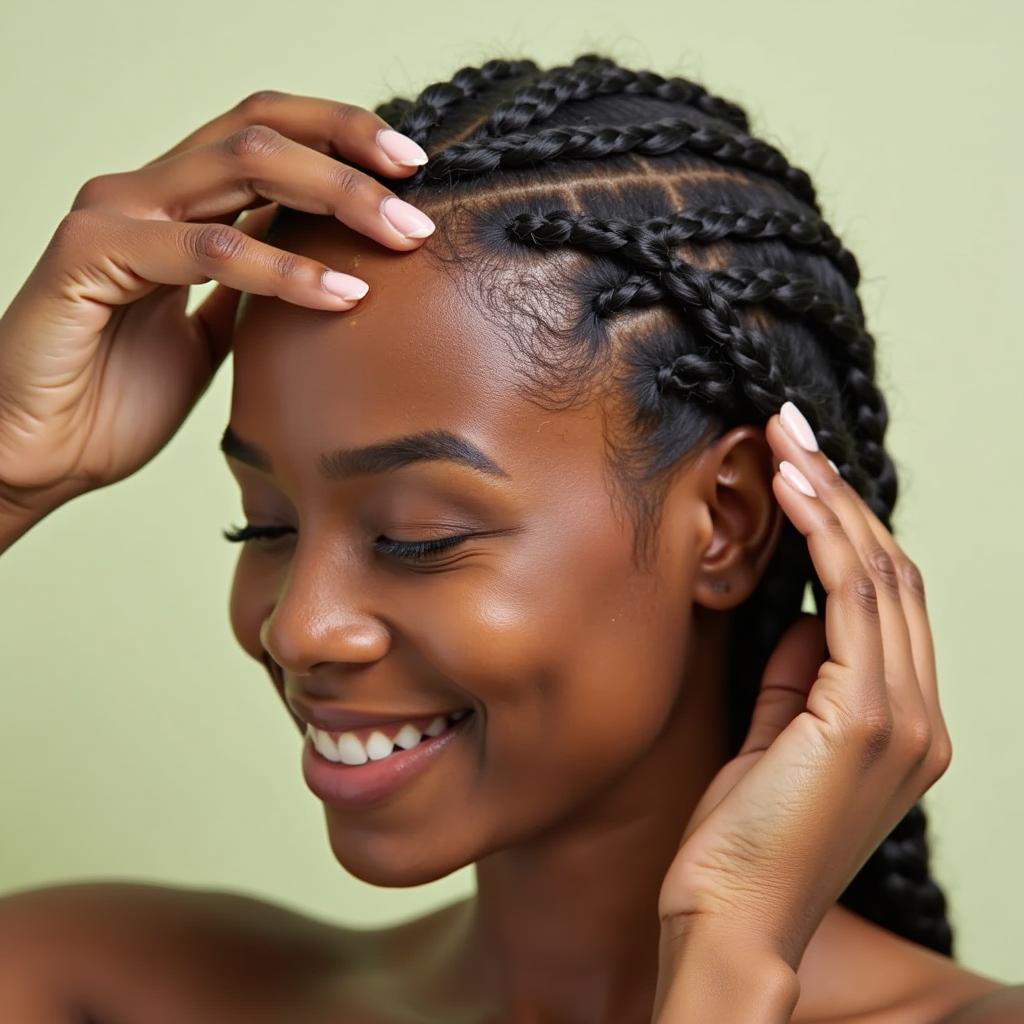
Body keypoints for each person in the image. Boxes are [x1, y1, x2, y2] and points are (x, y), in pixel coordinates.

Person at [0, 51, 1018, 1023]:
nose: (297, 627)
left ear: (726, 524)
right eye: (264, 524)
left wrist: (725, 958)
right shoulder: (85, 986)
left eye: (417, 536)